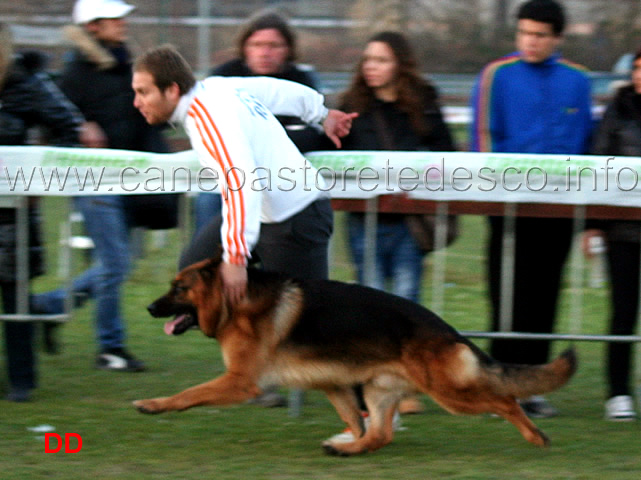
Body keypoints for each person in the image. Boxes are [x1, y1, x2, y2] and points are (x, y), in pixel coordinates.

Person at [131, 40, 355, 334]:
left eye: (143, 92)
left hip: (297, 220)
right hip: (264, 217)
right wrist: (322, 114)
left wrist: (235, 259)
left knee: (303, 332)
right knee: (195, 268)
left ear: (172, 90)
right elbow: (275, 90)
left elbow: (243, 184)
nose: (137, 102)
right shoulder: (213, 87)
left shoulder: (206, 117)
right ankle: (248, 356)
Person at [323, 30, 456, 443]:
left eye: (379, 59)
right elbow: (334, 154)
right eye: (367, 59)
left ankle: (407, 386)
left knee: (408, 302)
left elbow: (447, 155)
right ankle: (374, 393)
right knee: (370, 307)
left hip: (410, 222)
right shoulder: (350, 106)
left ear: (399, 62)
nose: (371, 66)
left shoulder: (425, 104)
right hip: (365, 220)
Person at [30, 0, 172, 372]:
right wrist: (79, 133)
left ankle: (47, 307)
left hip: (128, 177)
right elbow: (52, 131)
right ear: (93, 26)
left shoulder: (125, 65)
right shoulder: (76, 74)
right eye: (115, 17)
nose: (123, 23)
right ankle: (110, 348)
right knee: (115, 263)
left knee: (120, 264)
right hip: (94, 180)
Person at [469, 0, 593, 418]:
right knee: (506, 295)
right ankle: (499, 387)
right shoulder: (496, 75)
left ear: (557, 38)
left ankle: (534, 387)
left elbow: (584, 144)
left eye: (539, 34)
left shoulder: (578, 81)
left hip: (559, 211)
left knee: (544, 296)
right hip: (509, 208)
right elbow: (484, 139)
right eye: (524, 33)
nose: (531, 41)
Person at [0, 23, 83, 401]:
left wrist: (42, 181)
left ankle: (22, 380)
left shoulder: (26, 82)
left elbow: (68, 126)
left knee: (15, 297)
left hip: (13, 214)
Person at [195, 10, 324, 233]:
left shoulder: (302, 82)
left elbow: (312, 133)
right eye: (257, 44)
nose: (265, 53)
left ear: (288, 50)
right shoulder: (223, 77)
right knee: (209, 206)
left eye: (274, 45)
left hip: (282, 178)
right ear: (244, 47)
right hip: (228, 176)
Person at [582, 49, 641, 421]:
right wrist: (593, 223)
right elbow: (598, 165)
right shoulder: (616, 111)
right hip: (623, 231)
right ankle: (618, 393)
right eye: (637, 68)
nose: (640, 75)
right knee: (623, 313)